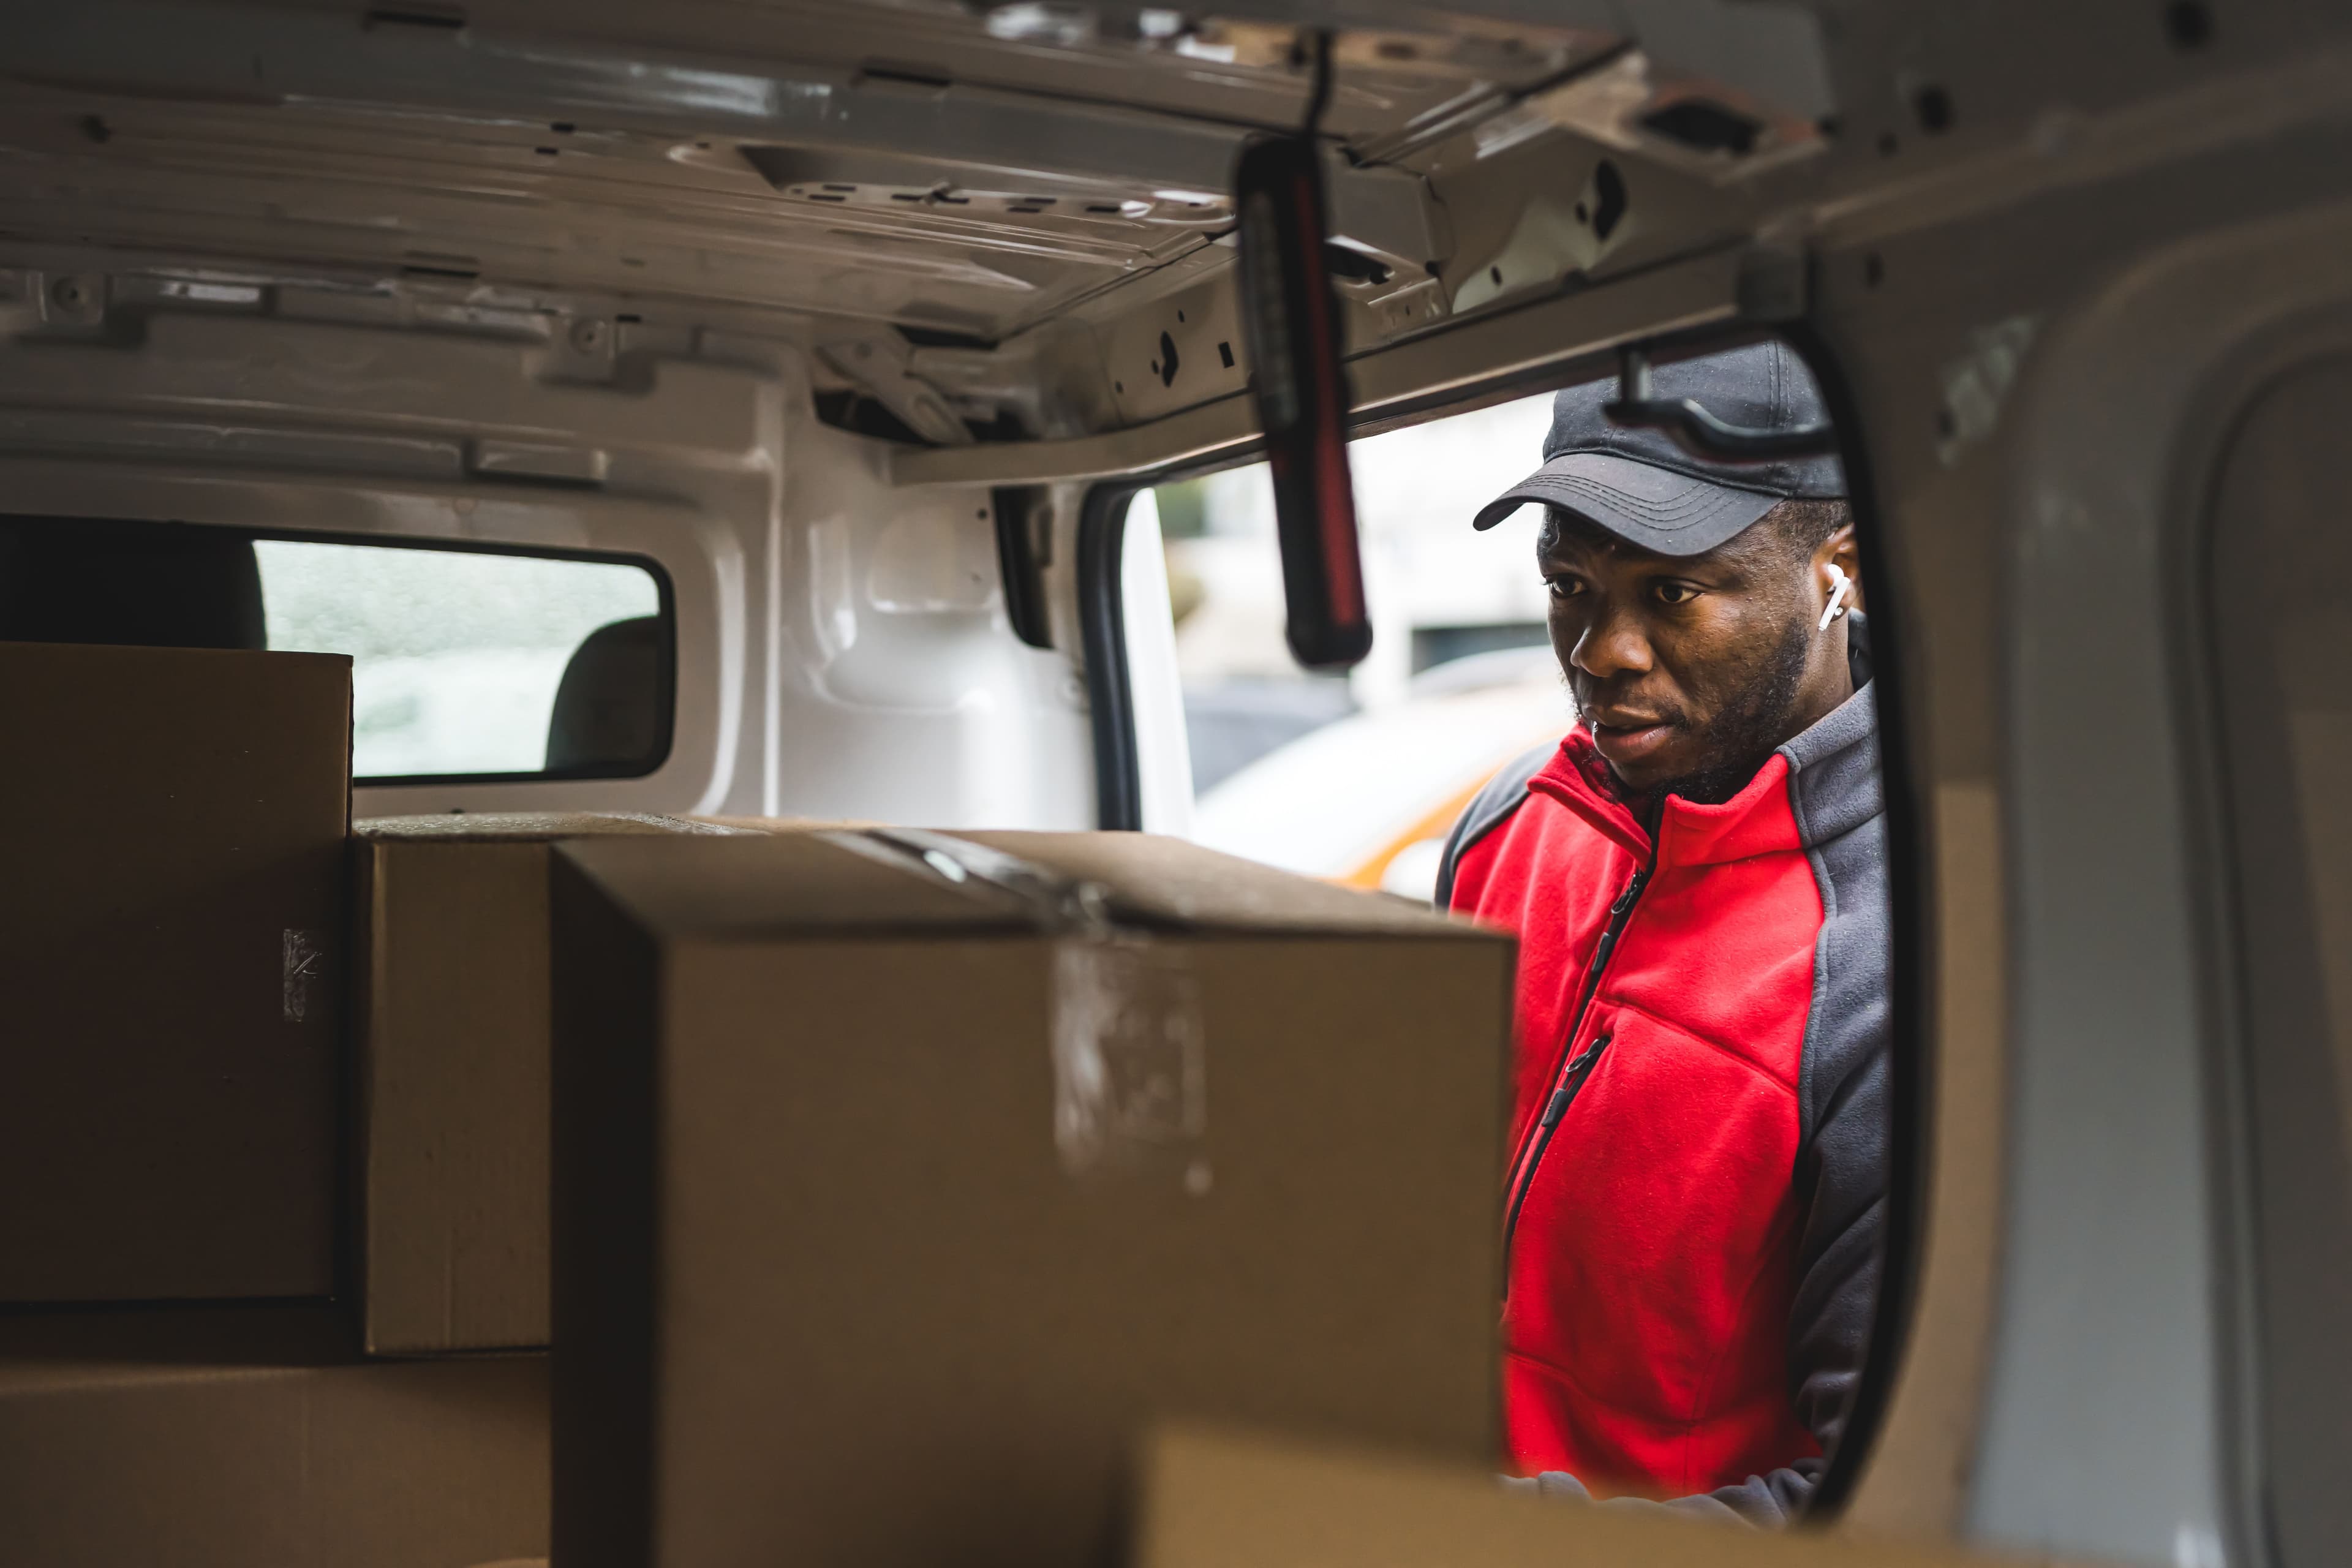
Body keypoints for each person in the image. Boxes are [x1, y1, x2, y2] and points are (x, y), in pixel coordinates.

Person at [1437, 342, 1887, 1526]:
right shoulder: (1504, 832)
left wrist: (1473, 1537)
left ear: (1841, 570)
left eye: (1670, 593)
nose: (1601, 652)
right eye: (1570, 586)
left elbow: (1863, 1504)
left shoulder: (1889, 969)